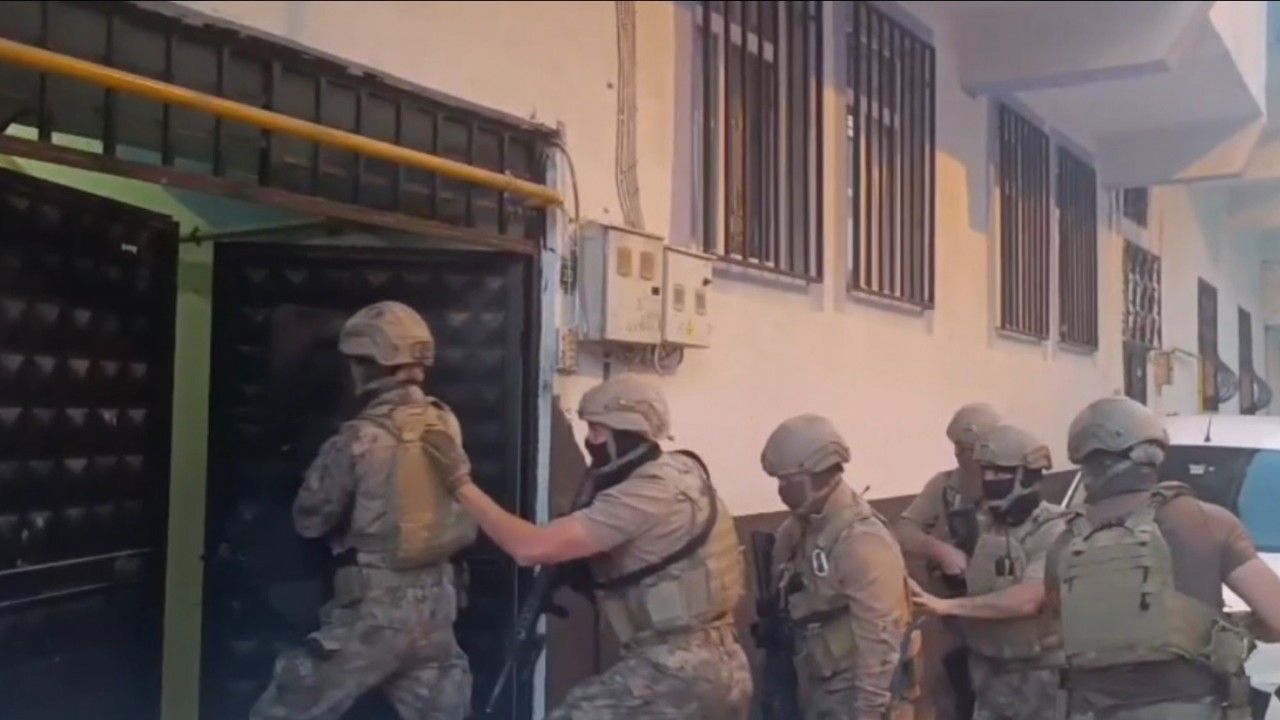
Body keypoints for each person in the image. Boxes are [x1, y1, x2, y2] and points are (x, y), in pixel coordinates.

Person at [428, 373, 752, 719]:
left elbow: (529, 548)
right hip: (720, 664)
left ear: (626, 432)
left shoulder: (645, 492)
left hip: (676, 673)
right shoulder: (681, 469)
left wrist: (459, 483)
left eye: (598, 430)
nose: (590, 441)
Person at [252, 300, 476, 720]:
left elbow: (310, 519)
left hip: (374, 613)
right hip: (436, 611)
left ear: (367, 365)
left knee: (285, 708)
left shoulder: (358, 438)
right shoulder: (445, 423)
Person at [1048, 397, 1280, 720]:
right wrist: (1232, 628)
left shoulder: (1065, 542)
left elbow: (1056, 632)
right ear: (1153, 455)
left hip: (1091, 710)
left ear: (1086, 464)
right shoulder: (1208, 523)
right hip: (1190, 708)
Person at [762, 414, 917, 720]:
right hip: (815, 685)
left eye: (786, 480)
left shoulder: (862, 542)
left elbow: (881, 643)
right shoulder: (797, 530)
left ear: (815, 474)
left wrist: (867, 712)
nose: (781, 489)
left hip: (859, 695)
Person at [911, 424, 1067, 720]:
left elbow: (1028, 599)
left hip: (1038, 678)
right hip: (986, 674)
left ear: (1027, 475)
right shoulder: (984, 528)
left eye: (1000, 473)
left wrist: (946, 606)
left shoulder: (1054, 529)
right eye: (986, 472)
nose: (990, 480)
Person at [894, 403, 1002, 720]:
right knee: (953, 696)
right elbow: (904, 531)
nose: (960, 455)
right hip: (952, 616)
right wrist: (939, 550)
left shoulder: (1009, 484)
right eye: (957, 447)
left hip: (1000, 615)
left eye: (967, 448)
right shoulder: (944, 487)